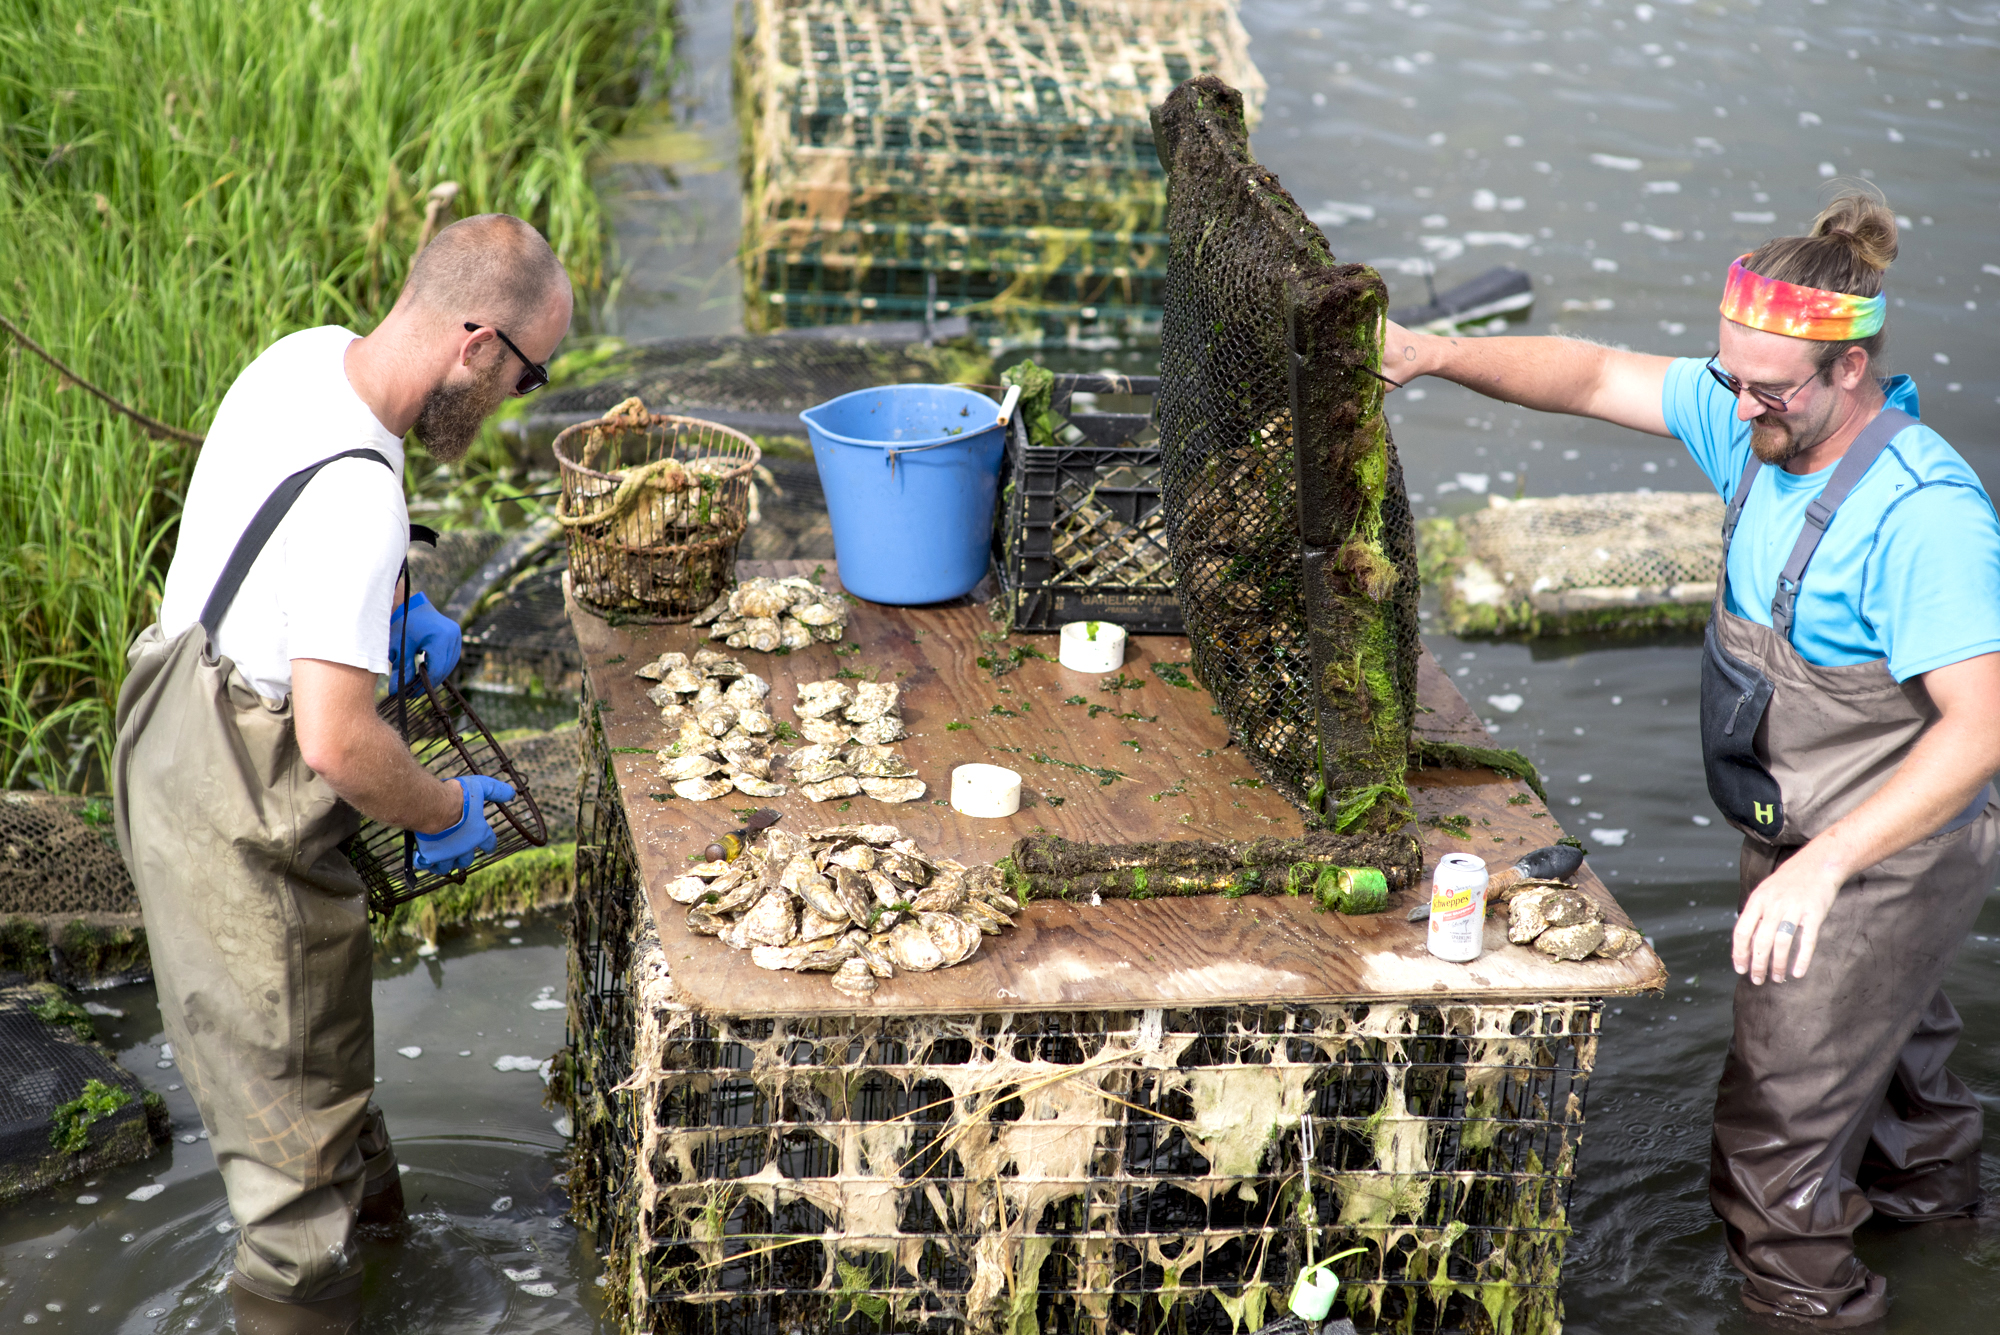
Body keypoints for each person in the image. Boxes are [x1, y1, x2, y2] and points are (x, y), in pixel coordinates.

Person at [1378, 189, 2000, 1326]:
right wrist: (1427, 353)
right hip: (1799, 829)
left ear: (1849, 370)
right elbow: (1588, 373)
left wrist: (1819, 871)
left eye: (1767, 386)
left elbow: (1979, 728)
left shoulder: (1923, 517)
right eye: (1726, 376)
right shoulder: (1756, 427)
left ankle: (1807, 1305)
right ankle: (1943, 1250)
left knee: (1769, 1161)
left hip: (1874, 854)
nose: (1738, 403)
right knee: (1903, 1085)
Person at [112, 214, 572, 1335]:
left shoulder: (307, 360)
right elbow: (335, 742)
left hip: (169, 733)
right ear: (475, 342)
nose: (517, 396)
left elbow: (256, 549)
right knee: (291, 1218)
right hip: (238, 809)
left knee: (324, 1094)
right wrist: (445, 807)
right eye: (527, 370)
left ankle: (390, 1280)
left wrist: (387, 614)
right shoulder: (361, 500)